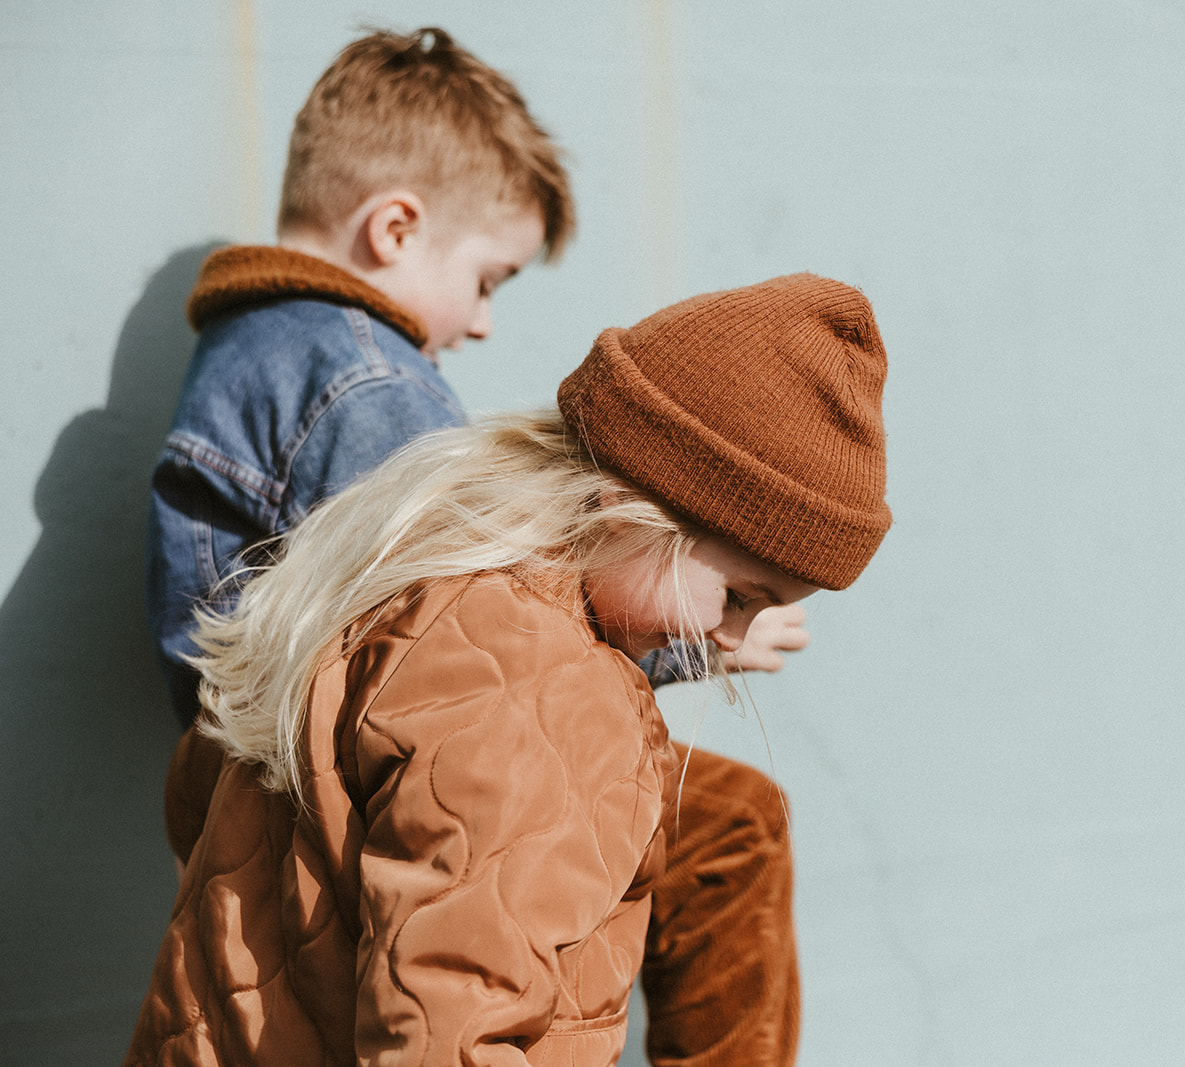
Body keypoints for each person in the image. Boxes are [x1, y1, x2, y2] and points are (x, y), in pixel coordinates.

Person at [145, 28, 806, 1066]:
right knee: (733, 827)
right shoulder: (365, 378)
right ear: (394, 227)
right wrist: (685, 638)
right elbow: (462, 617)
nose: (487, 324)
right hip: (364, 760)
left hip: (262, 757)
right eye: (490, 278)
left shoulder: (248, 344)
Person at [123, 273, 891, 1066]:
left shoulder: (399, 575)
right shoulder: (549, 691)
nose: (731, 638)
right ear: (634, 503)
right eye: (736, 596)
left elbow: (195, 791)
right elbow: (453, 1033)